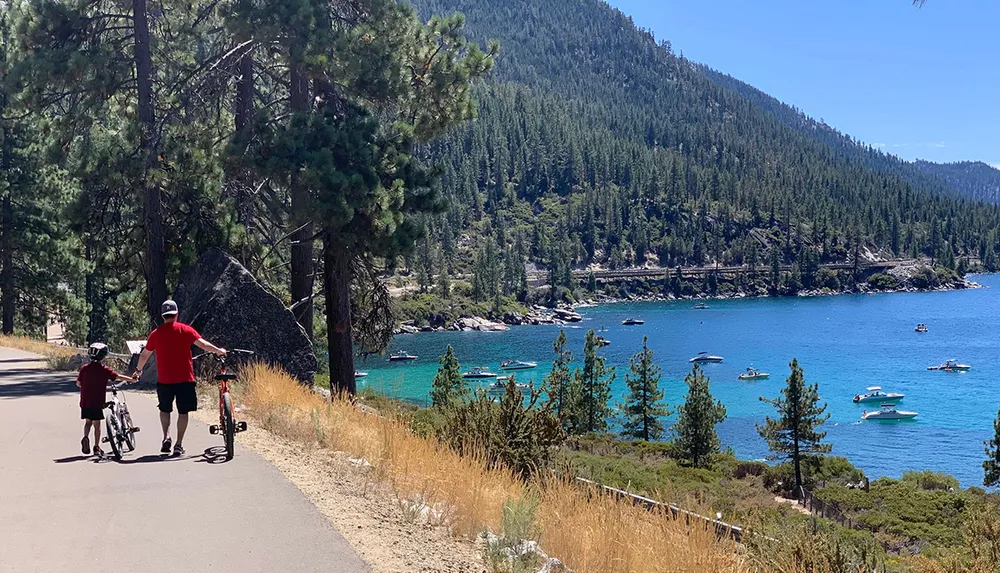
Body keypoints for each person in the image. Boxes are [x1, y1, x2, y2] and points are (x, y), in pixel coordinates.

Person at [132, 300, 226, 456]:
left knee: (164, 409)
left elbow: (144, 355)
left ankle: (166, 436)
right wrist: (219, 350)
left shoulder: (155, 334)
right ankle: (178, 444)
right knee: (183, 412)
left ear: (163, 316)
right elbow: (204, 345)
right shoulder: (186, 330)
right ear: (176, 314)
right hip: (185, 379)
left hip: (165, 380)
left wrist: (138, 370)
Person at [78, 342, 136, 457]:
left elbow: (78, 383)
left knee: (88, 422)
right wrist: (132, 379)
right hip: (97, 402)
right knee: (97, 426)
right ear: (103, 357)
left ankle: (85, 437)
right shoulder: (104, 370)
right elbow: (118, 376)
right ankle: (96, 446)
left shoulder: (84, 369)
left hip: (85, 402)